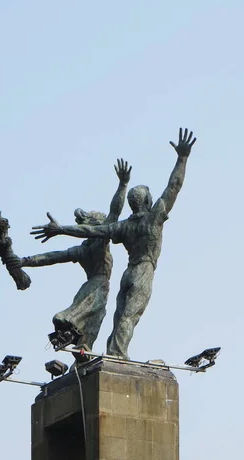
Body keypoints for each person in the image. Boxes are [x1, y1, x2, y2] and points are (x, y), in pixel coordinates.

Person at [31, 128, 196, 359]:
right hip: (143, 270)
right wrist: (182, 158)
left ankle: (113, 352)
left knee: (120, 316)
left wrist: (61, 229)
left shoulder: (125, 226)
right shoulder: (155, 216)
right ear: (148, 201)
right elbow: (173, 187)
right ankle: (118, 355)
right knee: (129, 316)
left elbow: (92, 230)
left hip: (127, 273)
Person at [22, 159, 131, 351]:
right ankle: (70, 331)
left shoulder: (82, 249)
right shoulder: (99, 242)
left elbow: (54, 257)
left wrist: (25, 261)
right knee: (81, 316)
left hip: (93, 286)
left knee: (94, 322)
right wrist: (122, 185)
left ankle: (83, 350)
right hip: (97, 287)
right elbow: (114, 212)